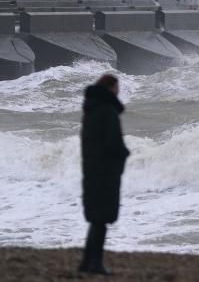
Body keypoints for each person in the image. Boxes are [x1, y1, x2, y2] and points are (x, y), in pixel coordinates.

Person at [78, 74, 130, 276]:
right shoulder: (108, 111)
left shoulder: (90, 110)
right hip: (105, 171)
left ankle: (86, 262)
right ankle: (96, 264)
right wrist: (124, 155)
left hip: (91, 169)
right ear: (110, 88)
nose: (119, 91)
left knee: (96, 219)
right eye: (117, 87)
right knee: (102, 218)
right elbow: (113, 143)